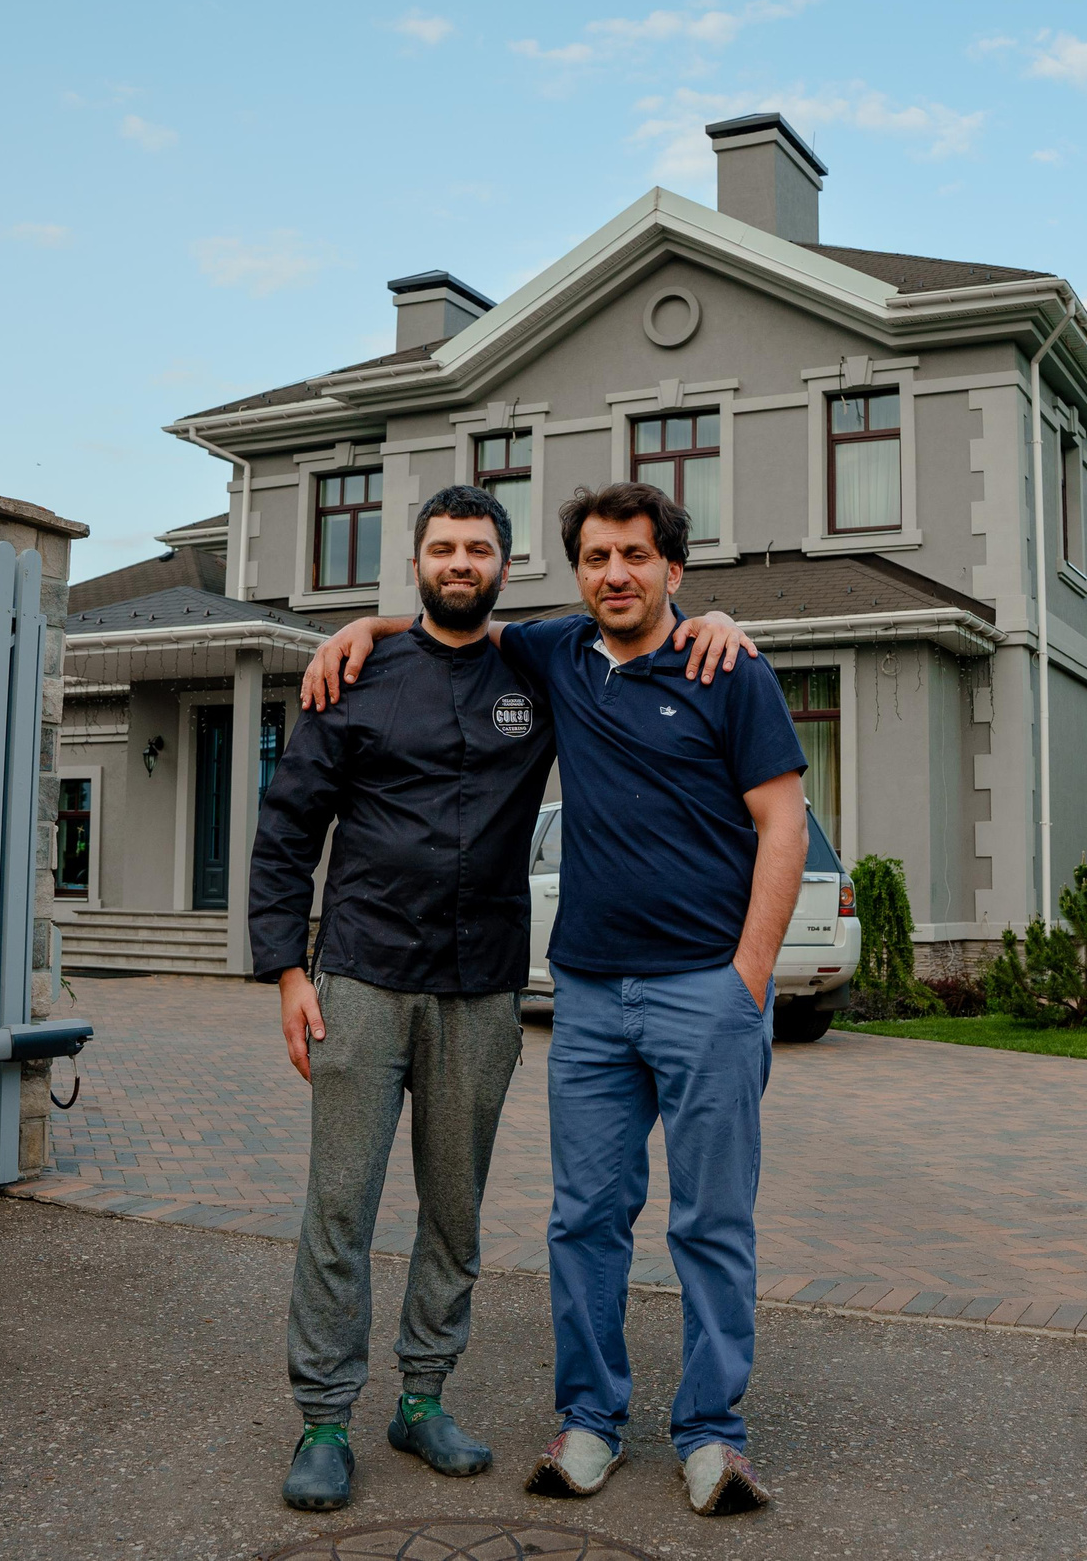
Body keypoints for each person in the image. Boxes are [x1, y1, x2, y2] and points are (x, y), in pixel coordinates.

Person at [302, 480, 807, 1518]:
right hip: (588, 994)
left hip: (705, 992)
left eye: (635, 555)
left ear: (673, 567)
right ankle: (590, 1421)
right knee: (583, 1221)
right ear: (576, 573)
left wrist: (747, 981)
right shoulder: (561, 654)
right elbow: (457, 618)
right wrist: (363, 626)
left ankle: (712, 1435)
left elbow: (784, 824)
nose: (614, 574)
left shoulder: (728, 669)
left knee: (711, 1222)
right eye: (595, 558)